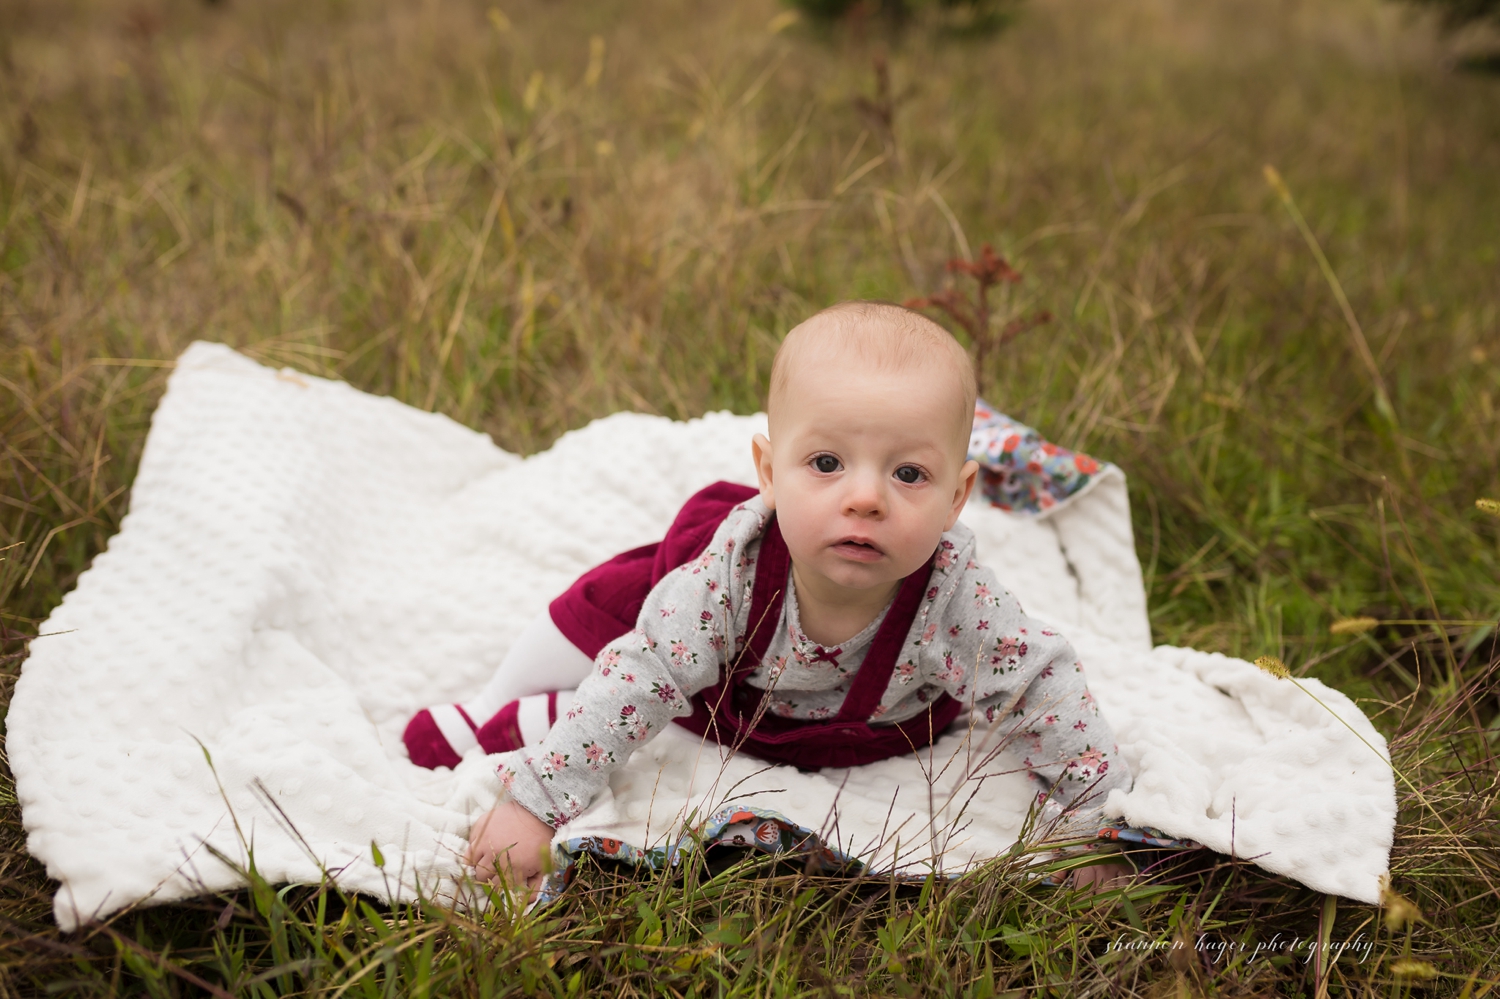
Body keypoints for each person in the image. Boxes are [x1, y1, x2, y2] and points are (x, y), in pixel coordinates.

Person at [407, 301, 1133, 890]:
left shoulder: (956, 598)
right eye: (826, 463)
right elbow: (644, 675)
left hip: (858, 729)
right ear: (769, 470)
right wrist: (534, 805)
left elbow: (1043, 683)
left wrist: (1092, 827)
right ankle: (509, 701)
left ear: (957, 497)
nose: (865, 498)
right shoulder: (731, 575)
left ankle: (548, 711)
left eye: (909, 474)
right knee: (613, 618)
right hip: (714, 696)